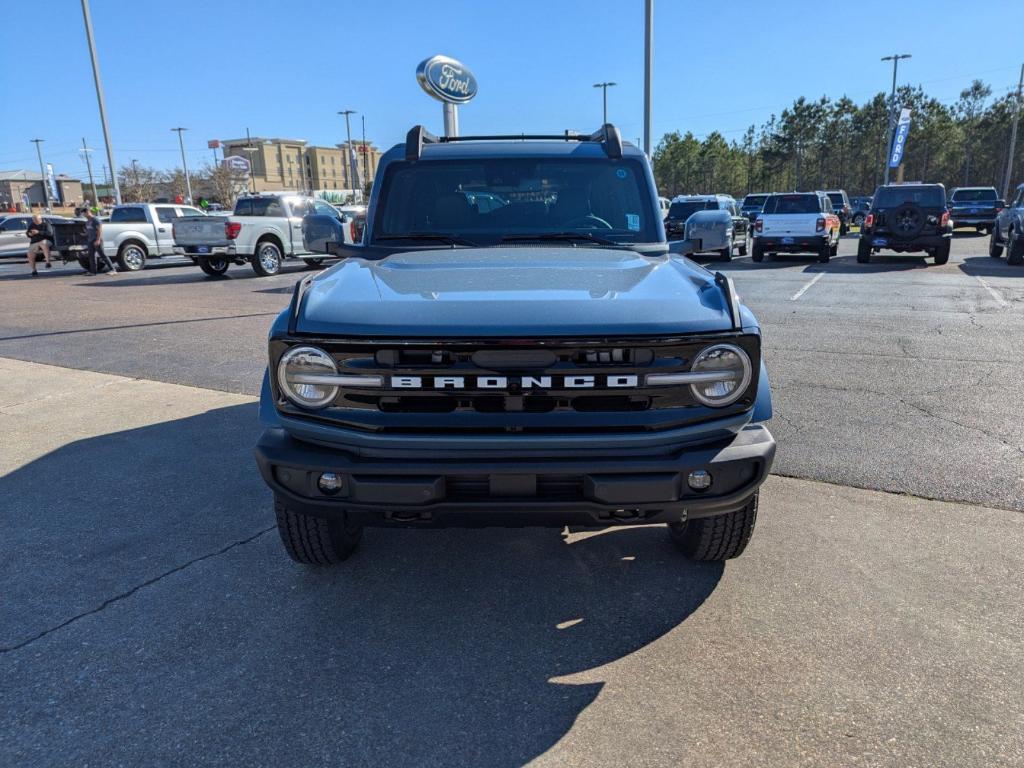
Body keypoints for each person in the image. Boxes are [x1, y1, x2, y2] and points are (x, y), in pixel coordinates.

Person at [83, 208, 117, 275]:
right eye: (83, 214)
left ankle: (113, 269)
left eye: (84, 213)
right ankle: (93, 272)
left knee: (102, 255)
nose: (84, 215)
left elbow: (99, 230)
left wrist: (98, 240)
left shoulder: (95, 220)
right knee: (91, 256)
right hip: (90, 240)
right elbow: (89, 231)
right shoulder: (87, 221)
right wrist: (84, 234)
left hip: (96, 240)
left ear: (88, 212)